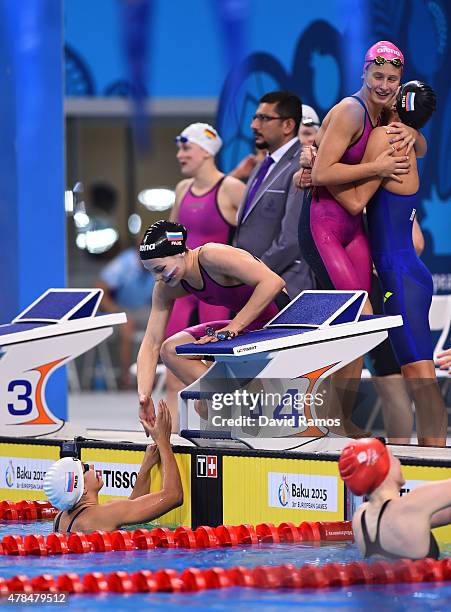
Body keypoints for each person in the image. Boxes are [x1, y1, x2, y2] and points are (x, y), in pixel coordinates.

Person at [296, 41, 426, 437]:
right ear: (364, 74)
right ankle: (318, 417)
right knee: (358, 318)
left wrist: (411, 136)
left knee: (360, 324)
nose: (385, 85)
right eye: (378, 77)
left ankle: (332, 414)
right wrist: (378, 166)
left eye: (392, 79)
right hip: (324, 227)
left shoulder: (385, 112)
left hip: (354, 229)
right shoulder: (353, 111)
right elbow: (320, 174)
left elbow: (421, 146)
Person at [327, 81, 446, 447]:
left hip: (398, 273)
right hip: (407, 270)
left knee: (419, 377)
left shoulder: (385, 137)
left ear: (399, 103)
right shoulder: (406, 136)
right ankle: (434, 463)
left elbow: (354, 201)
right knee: (416, 377)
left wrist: (319, 173)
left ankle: (435, 467)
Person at [136, 220, 289, 426]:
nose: (157, 278)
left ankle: (232, 399)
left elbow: (274, 282)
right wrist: (144, 396)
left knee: (207, 404)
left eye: (160, 268)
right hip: (246, 330)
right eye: (151, 272)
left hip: (278, 323)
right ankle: (229, 396)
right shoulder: (167, 285)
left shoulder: (211, 255)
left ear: (180, 252)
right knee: (170, 350)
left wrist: (233, 327)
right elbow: (151, 342)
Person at [166, 123, 246, 419]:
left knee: (216, 367)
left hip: (217, 293)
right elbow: (171, 243)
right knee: (173, 369)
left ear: (206, 151)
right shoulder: (182, 189)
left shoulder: (231, 189)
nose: (179, 154)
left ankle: (220, 434)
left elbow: (255, 237)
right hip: (183, 292)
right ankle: (168, 443)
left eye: (186, 148)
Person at [43, 400, 183, 533]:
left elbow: (132, 508)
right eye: (85, 468)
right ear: (82, 488)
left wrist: (146, 468)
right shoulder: (104, 514)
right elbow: (173, 495)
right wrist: (163, 441)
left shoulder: (60, 519)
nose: (91, 466)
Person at [234, 90, 316, 300]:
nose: (254, 125)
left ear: (288, 125)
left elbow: (291, 239)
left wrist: (250, 275)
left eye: (263, 118)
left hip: (284, 289)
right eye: (254, 117)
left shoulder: (302, 165)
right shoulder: (262, 165)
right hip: (255, 287)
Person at [338, 437, 450, 559]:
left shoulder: (360, 518)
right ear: (383, 466)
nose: (399, 462)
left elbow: (414, 522)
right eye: (392, 457)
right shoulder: (412, 504)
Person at [96, 242, 154, 388]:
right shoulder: (124, 263)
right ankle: (126, 378)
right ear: (138, 252)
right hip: (124, 309)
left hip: (148, 309)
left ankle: (159, 377)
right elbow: (99, 290)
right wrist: (116, 310)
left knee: (168, 323)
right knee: (127, 324)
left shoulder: (161, 261)